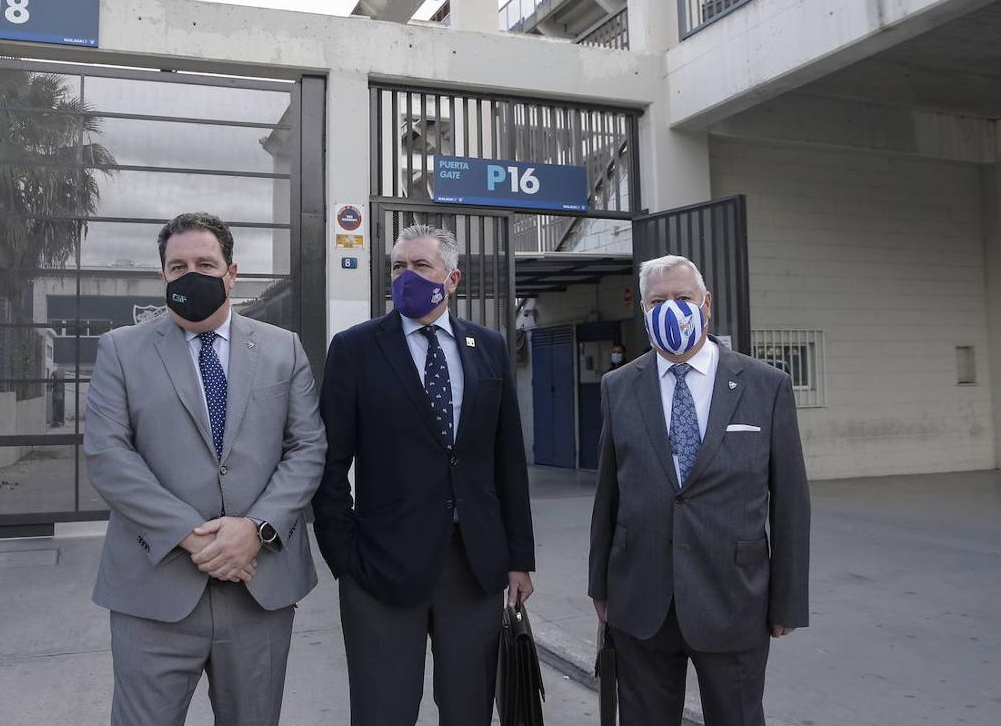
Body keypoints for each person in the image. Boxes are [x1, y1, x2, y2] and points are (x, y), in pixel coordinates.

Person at [84, 212, 326, 726]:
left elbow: (307, 447)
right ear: (163, 276)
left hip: (258, 589)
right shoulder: (121, 351)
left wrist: (255, 531)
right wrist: (197, 540)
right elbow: (109, 457)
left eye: (204, 263)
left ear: (231, 274)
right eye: (178, 266)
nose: (190, 274)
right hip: (155, 593)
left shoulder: (283, 349)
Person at [312, 224, 536, 726]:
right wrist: (343, 555)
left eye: (420, 266)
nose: (405, 276)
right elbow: (328, 461)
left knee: (469, 712)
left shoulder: (489, 347)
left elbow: (508, 461)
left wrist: (518, 558)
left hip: (473, 567)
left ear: (452, 279)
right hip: (380, 569)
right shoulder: (355, 349)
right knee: (382, 712)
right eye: (397, 266)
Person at [588, 254, 811, 726]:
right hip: (641, 599)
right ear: (643, 311)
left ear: (706, 304)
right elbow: (608, 492)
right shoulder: (618, 386)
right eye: (658, 300)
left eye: (683, 298)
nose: (672, 308)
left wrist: (788, 598)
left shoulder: (766, 385)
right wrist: (600, 584)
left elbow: (791, 500)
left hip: (734, 600)